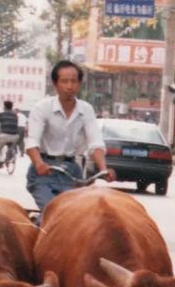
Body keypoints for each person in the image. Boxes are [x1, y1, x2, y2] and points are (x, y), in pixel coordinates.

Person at [24, 60, 113, 220]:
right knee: (52, 214)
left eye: (74, 81)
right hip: (44, 172)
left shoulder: (86, 110)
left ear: (79, 84)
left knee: (77, 217)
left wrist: (103, 169)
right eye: (64, 81)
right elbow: (32, 142)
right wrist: (39, 164)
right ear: (55, 84)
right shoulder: (42, 108)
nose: (69, 86)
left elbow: (95, 142)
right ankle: (38, 235)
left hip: (72, 173)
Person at [0, 99, 21, 167]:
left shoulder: (1, 114)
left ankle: (1, 161)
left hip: (4, 135)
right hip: (15, 136)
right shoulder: (15, 115)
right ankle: (10, 158)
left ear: (4, 107)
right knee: (10, 146)